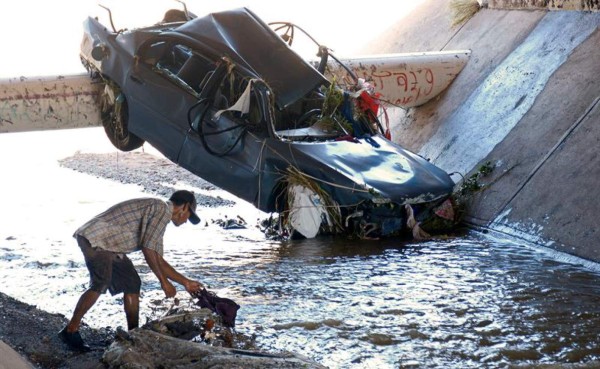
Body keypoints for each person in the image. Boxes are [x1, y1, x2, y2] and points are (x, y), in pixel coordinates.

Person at [58, 190, 204, 351]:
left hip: (110, 244)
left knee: (132, 283)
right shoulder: (162, 209)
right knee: (101, 283)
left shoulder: (159, 214)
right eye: (189, 217)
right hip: (97, 238)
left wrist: (186, 282)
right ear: (184, 207)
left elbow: (157, 259)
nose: (186, 222)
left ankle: (133, 333)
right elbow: (148, 250)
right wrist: (164, 282)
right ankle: (70, 330)